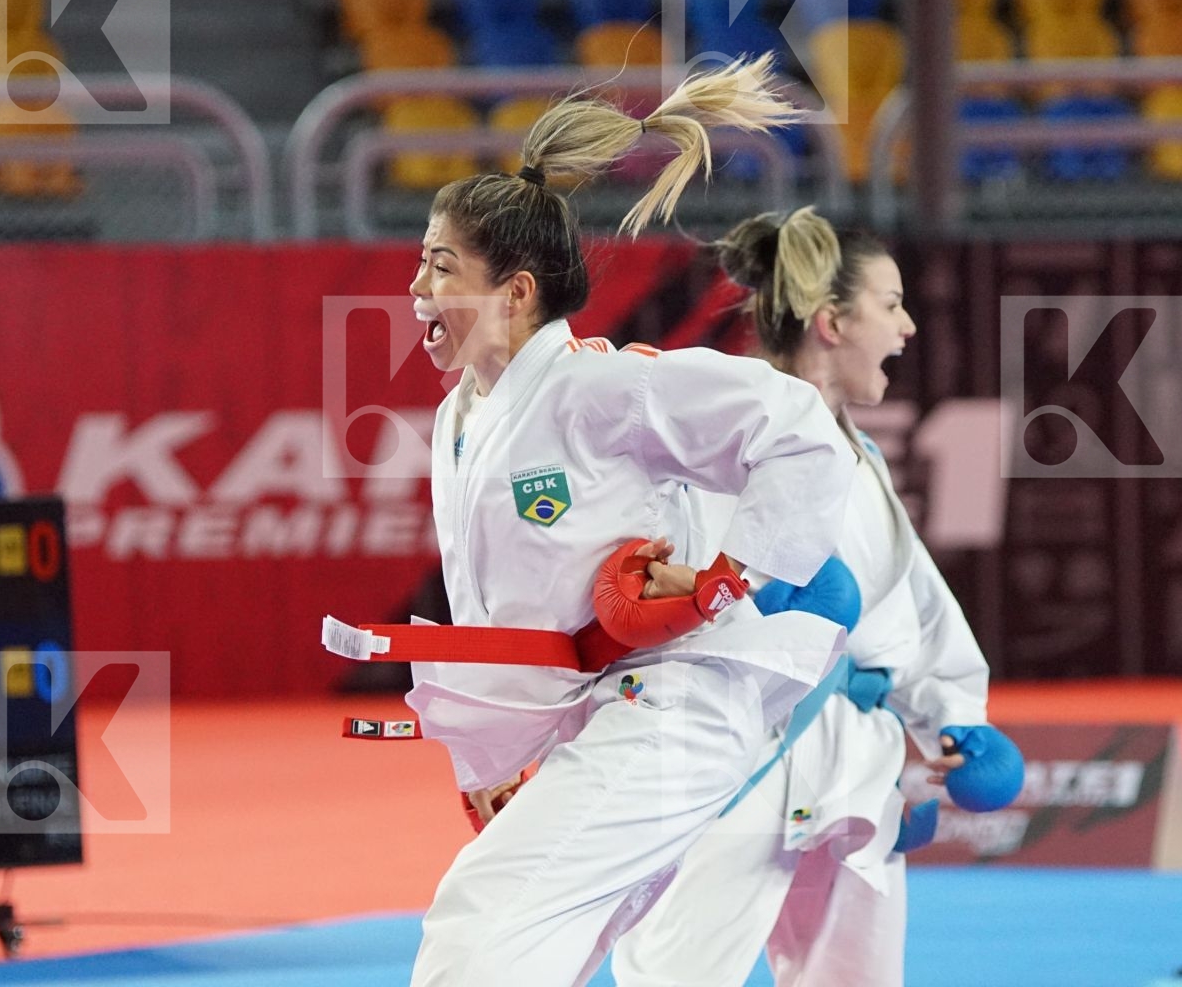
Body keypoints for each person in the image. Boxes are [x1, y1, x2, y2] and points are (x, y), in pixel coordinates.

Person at [389, 56, 858, 986]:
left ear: (516, 292)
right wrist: (493, 763)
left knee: (482, 916)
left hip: (674, 705)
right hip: (601, 719)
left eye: (441, 267)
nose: (417, 288)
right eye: (420, 262)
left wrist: (730, 574)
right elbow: (496, 619)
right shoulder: (460, 421)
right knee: (550, 949)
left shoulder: (600, 387)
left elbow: (801, 430)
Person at [613, 207, 1022, 987]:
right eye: (890, 305)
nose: (906, 327)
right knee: (678, 974)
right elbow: (683, 592)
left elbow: (913, 602)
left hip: (853, 756)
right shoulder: (727, 434)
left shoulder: (859, 455)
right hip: (739, 747)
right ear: (832, 323)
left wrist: (952, 715)